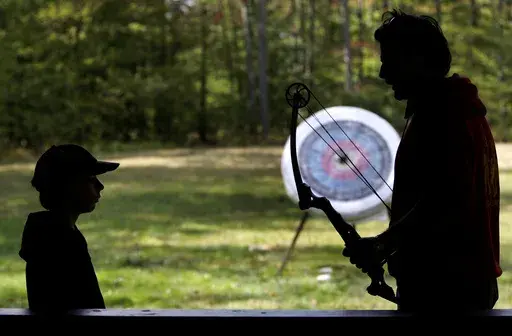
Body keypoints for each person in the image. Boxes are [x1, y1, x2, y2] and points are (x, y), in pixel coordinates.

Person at [342, 9, 501, 313]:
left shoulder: (443, 115)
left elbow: (443, 201)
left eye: (390, 61)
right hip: (459, 281)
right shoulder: (454, 106)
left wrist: (382, 245)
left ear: (418, 59)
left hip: (446, 287)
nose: (383, 73)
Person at [19, 144, 119, 312]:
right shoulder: (59, 240)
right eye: (90, 179)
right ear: (68, 187)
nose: (100, 186)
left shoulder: (48, 232)